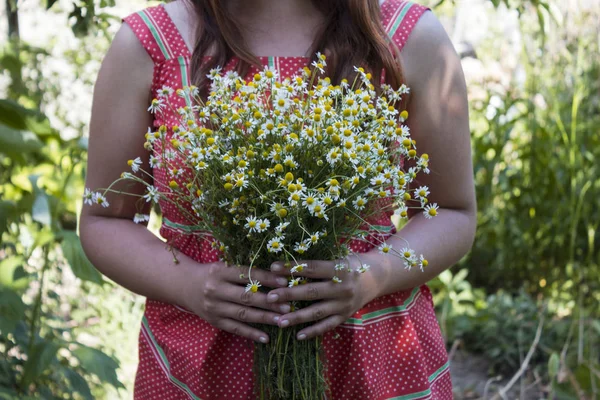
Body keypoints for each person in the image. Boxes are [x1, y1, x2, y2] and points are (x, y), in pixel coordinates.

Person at [80, 0, 476, 398]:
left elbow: (452, 213)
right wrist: (188, 283)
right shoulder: (150, 43)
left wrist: (371, 274)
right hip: (200, 369)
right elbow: (105, 220)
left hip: (372, 364)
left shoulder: (407, 37)